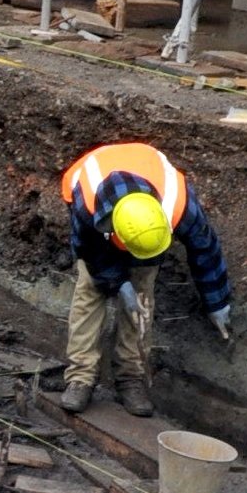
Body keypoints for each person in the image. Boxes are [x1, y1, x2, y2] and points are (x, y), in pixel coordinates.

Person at [58, 141, 233, 418]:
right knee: (90, 290)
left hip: (146, 228)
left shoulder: (179, 205)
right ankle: (80, 376)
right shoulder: (86, 205)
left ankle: (131, 377)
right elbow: (89, 251)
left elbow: (205, 248)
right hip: (97, 212)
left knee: (141, 297)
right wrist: (117, 283)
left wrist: (217, 301)